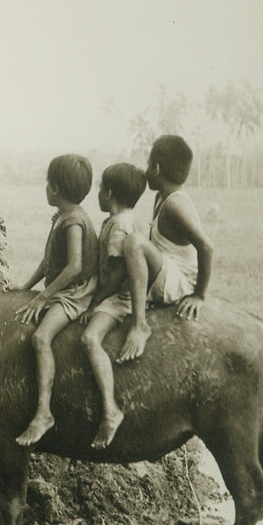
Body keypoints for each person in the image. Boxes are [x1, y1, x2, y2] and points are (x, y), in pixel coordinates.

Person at [14, 154, 99, 446]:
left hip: (76, 294)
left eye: (48, 182)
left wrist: (44, 296)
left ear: (55, 188)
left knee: (40, 338)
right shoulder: (64, 216)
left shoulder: (73, 221)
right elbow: (49, 261)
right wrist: (26, 288)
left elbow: (74, 267)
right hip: (63, 289)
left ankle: (43, 412)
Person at [115, 134, 215, 361]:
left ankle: (140, 326)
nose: (147, 169)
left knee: (133, 242)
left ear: (157, 168)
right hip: (166, 271)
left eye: (149, 164)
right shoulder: (162, 196)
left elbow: (207, 247)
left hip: (178, 279)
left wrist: (199, 295)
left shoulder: (175, 204)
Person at [79, 163, 150, 448]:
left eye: (99, 188)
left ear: (109, 193)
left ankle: (110, 409)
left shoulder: (119, 225)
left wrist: (95, 301)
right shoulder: (121, 219)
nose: (97, 193)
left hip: (118, 297)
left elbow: (119, 272)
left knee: (89, 338)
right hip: (114, 291)